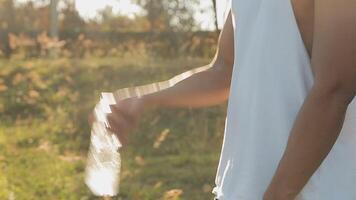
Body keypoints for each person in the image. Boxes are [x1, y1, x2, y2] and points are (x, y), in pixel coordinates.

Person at [90, 0, 356, 199]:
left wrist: (277, 194)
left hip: (322, 190)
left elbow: (334, 89)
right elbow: (224, 69)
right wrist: (143, 99)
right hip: (242, 189)